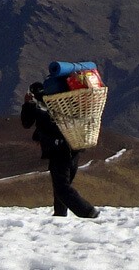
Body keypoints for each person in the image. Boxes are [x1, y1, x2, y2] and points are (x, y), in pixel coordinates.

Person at [22, 81, 98, 218]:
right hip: (73, 150)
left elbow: (27, 123)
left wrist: (27, 104)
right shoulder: (61, 104)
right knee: (62, 185)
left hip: (59, 152)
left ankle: (87, 212)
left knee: (62, 188)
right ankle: (60, 215)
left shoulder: (40, 108)